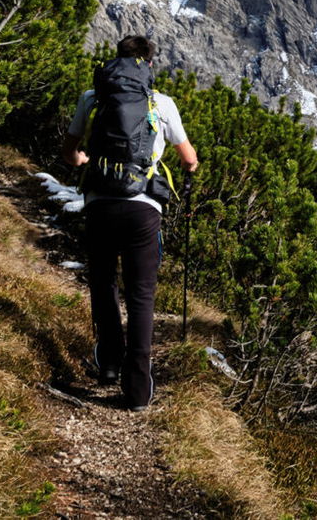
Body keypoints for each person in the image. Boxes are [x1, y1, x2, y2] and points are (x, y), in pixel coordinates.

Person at [64, 35, 199, 410]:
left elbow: (71, 152)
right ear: (149, 64)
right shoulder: (162, 103)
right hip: (143, 209)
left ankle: (109, 363)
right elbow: (188, 158)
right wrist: (188, 169)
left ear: (117, 61)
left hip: (99, 203)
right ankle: (138, 388)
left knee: (104, 281)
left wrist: (84, 163)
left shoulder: (93, 98)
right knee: (141, 294)